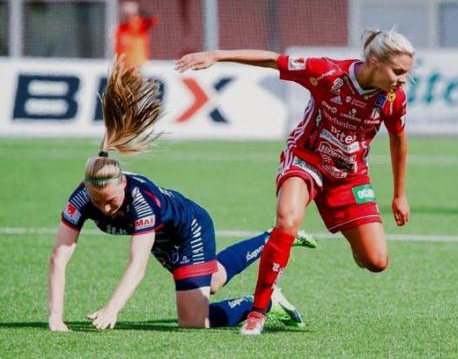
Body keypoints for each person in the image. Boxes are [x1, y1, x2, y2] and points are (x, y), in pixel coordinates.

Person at [47, 56, 316, 332]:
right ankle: (270, 238)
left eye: (111, 201)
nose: (104, 208)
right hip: (164, 240)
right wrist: (55, 317)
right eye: (97, 201)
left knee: (193, 322)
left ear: (123, 184)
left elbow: (137, 264)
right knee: (213, 280)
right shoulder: (80, 200)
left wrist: (111, 309)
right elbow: (59, 256)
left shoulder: (141, 201)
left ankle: (263, 301)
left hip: (189, 227)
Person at [176, 29, 414, 335]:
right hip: (306, 159)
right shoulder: (327, 72)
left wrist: (399, 194)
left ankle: (353, 239)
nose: (402, 80)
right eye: (397, 71)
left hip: (349, 175)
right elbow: (274, 60)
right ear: (374, 60)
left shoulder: (393, 99)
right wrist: (218, 55)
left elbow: (399, 140)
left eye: (406, 73)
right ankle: (259, 309)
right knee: (287, 219)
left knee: (376, 261)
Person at [114, 0, 156, 68]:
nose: (129, 17)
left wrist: (137, 10)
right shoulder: (120, 29)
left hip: (137, 64)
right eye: (126, 15)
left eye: (132, 15)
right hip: (122, 66)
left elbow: (151, 20)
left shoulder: (138, 26)